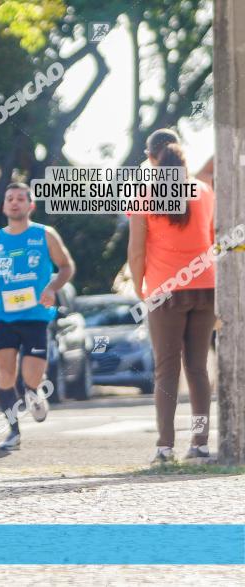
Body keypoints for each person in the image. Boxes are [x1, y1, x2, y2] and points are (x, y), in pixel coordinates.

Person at [127, 129, 216, 465]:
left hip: (165, 290)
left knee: (166, 370)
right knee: (197, 368)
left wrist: (140, 288)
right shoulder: (205, 191)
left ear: (151, 157)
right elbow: (210, 238)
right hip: (206, 288)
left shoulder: (143, 193)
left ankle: (165, 447)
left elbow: (136, 251)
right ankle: (201, 443)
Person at [0, 183, 75, 451]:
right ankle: (13, 432)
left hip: (36, 317)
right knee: (5, 377)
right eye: (10, 199)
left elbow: (66, 266)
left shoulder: (44, 235)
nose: (15, 202)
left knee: (29, 380)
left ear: (31, 205)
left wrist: (52, 288)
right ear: (4, 206)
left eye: (20, 198)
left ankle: (34, 391)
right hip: (5, 317)